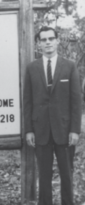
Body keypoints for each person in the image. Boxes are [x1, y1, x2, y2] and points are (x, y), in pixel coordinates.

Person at [23, 26, 81, 205]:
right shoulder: (32, 68)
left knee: (66, 174)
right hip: (40, 131)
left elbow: (76, 101)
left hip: (64, 131)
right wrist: (29, 130)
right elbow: (27, 102)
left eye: (50, 39)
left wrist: (75, 130)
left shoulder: (69, 66)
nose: (47, 42)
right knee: (45, 175)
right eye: (43, 40)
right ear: (38, 44)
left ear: (57, 41)